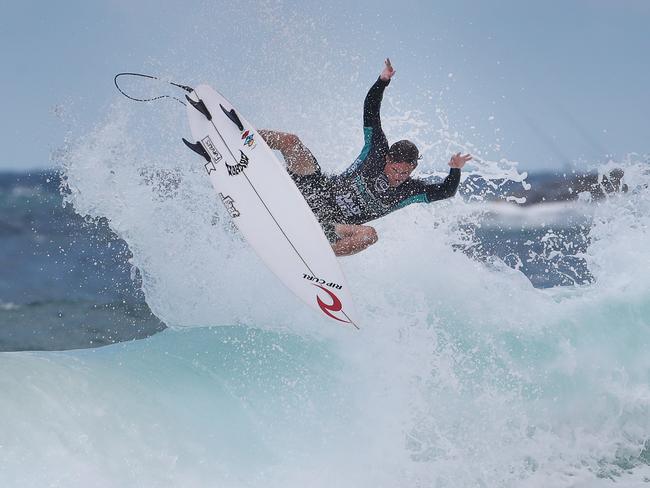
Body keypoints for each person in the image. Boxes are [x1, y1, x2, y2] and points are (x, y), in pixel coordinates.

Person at [260, 59, 471, 256]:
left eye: (405, 173)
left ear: (413, 169)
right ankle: (242, 137)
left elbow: (446, 191)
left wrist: (455, 169)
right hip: (316, 189)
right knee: (291, 142)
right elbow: (371, 109)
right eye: (395, 170)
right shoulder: (377, 149)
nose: (398, 177)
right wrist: (382, 81)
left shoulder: (411, 190)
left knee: (370, 235)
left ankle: (317, 256)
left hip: (329, 224)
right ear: (388, 159)